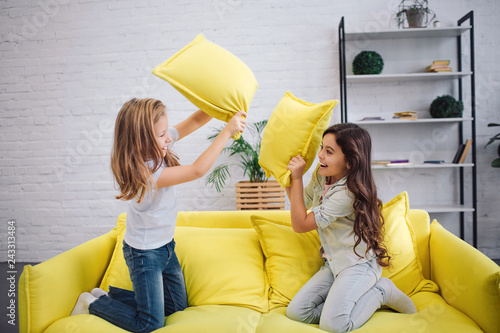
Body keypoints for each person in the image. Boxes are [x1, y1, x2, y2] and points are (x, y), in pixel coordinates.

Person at [70, 98, 246, 333]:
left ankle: (106, 297)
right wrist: (228, 131)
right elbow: (197, 170)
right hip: (144, 255)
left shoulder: (156, 142)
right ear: (141, 140)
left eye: (166, 132)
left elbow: (194, 120)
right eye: (162, 134)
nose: (169, 138)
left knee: (175, 308)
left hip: (165, 247)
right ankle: (91, 303)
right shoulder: (146, 174)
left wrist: (219, 107)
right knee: (150, 323)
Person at [284, 123, 416, 333]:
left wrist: (298, 177)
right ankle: (338, 306)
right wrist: (287, 177)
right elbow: (301, 202)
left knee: (334, 325)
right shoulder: (322, 176)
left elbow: (300, 224)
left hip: (357, 266)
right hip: (334, 265)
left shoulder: (347, 193)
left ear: (349, 162)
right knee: (297, 312)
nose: (320, 156)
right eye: (321, 148)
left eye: (329, 151)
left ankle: (383, 291)